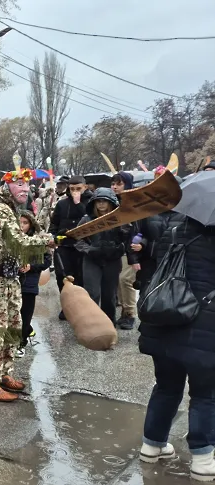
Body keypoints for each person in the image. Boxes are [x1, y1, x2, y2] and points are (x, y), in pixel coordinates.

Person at [137, 213, 215, 481]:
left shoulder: (173, 225)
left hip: (165, 318)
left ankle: (152, 445)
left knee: (166, 387)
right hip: (205, 325)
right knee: (205, 395)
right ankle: (203, 459)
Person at [0, 169, 54, 402]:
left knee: (12, 328)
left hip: (8, 279)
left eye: (27, 185)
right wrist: (46, 241)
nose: (24, 189)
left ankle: (3, 373)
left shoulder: (11, 208)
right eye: (18, 184)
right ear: (7, 186)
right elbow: (17, 244)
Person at [74, 188, 129, 327]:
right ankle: (91, 324)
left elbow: (129, 238)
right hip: (92, 260)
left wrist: (124, 231)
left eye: (104, 201)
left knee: (109, 296)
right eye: (98, 201)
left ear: (111, 202)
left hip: (112, 260)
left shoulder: (120, 219)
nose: (101, 204)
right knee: (92, 293)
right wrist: (89, 250)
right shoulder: (86, 220)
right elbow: (77, 239)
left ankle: (109, 324)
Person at [49, 175, 91, 320]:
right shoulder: (62, 204)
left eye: (78, 188)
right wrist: (53, 236)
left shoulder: (91, 202)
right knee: (62, 275)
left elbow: (89, 219)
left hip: (82, 246)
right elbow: (54, 223)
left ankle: (81, 306)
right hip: (64, 245)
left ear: (85, 187)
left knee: (81, 276)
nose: (75, 191)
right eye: (72, 189)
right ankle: (67, 306)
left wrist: (78, 203)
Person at [16, 211, 52, 357]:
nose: (22, 226)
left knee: (26, 314)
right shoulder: (11, 238)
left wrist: (32, 266)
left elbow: (46, 260)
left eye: (25, 223)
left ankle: (21, 342)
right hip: (12, 281)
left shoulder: (37, 240)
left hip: (29, 283)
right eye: (20, 222)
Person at [111, 172, 141, 330]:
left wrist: (135, 256)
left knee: (126, 280)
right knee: (118, 281)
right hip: (117, 248)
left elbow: (139, 230)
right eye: (113, 183)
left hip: (131, 249)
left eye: (119, 183)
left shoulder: (135, 204)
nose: (115, 186)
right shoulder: (113, 202)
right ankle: (124, 312)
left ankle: (130, 313)